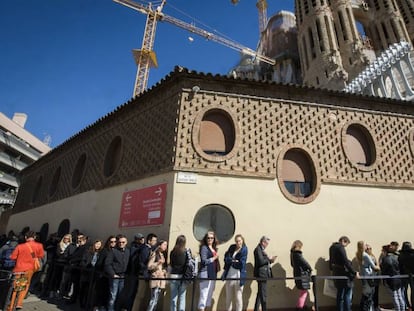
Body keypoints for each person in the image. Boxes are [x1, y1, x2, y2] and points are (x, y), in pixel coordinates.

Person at [7, 231, 44, 311]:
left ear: (25, 238)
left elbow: (13, 257)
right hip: (29, 269)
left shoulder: (20, 246)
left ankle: (12, 304)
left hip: (19, 268)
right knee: (25, 285)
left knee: (16, 287)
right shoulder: (39, 245)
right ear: (34, 237)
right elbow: (40, 255)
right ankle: (19, 303)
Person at [329, 236, 357, 311]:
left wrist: (331, 270)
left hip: (336, 272)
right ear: (344, 241)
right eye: (346, 244)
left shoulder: (332, 247)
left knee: (339, 294)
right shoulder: (340, 247)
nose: (345, 246)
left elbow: (331, 260)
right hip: (343, 273)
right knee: (347, 295)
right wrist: (354, 273)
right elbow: (345, 261)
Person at [222, 234, 248, 311]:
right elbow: (226, 259)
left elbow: (241, 264)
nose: (238, 242)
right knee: (228, 297)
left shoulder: (244, 249)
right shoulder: (232, 247)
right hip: (229, 274)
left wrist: (231, 261)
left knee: (238, 297)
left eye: (239, 241)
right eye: (236, 241)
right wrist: (234, 260)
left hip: (239, 275)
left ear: (242, 241)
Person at [105, 234, 130, 311]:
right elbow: (107, 264)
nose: (121, 244)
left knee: (120, 295)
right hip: (115, 276)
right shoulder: (113, 251)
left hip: (123, 276)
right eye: (119, 242)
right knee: (113, 295)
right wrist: (113, 274)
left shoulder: (128, 251)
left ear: (126, 242)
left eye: (123, 242)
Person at [254, 235, 276, 311]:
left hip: (263, 274)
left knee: (260, 294)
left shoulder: (261, 249)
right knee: (263, 294)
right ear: (263, 242)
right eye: (266, 243)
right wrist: (269, 259)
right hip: (261, 274)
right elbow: (260, 261)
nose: (267, 245)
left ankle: (256, 309)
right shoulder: (258, 249)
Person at [198, 231, 220, 311]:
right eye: (208, 238)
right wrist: (214, 258)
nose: (210, 239)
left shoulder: (213, 248)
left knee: (209, 295)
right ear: (205, 239)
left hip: (212, 273)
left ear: (214, 239)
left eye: (212, 238)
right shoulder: (204, 247)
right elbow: (204, 261)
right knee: (204, 295)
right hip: (205, 273)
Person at [355, 241, 379, 311]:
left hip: (363, 275)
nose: (367, 247)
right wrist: (378, 266)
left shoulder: (358, 254)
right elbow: (374, 267)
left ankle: (364, 308)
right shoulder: (365, 255)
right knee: (369, 295)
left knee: (365, 293)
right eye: (365, 246)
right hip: (368, 275)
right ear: (363, 247)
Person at [381, 243, 405, 311]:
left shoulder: (385, 259)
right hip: (398, 278)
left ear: (385, 251)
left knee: (395, 297)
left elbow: (384, 270)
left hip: (391, 280)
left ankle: (398, 309)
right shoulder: (396, 257)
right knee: (400, 296)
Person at [290, 240, 312, 311]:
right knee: (304, 293)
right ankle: (300, 307)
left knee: (303, 292)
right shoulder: (297, 254)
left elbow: (292, 265)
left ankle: (300, 306)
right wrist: (309, 268)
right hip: (302, 276)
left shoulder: (292, 254)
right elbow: (305, 263)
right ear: (299, 246)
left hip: (298, 275)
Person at [169, 235, 189, 311]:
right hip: (182, 276)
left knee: (173, 297)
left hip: (173, 275)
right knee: (182, 297)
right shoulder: (185, 252)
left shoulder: (172, 252)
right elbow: (187, 264)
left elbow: (171, 264)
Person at [147, 240, 168, 311]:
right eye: (164, 245)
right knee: (154, 298)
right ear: (159, 245)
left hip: (160, 279)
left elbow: (163, 266)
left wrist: (164, 271)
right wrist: (157, 263)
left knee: (156, 299)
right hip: (155, 279)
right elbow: (149, 266)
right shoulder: (154, 253)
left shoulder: (162, 254)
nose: (165, 247)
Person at [398, 241, 414, 310]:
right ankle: (412, 305)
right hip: (412, 275)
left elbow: (400, 266)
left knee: (404, 291)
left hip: (404, 275)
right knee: (412, 291)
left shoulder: (401, 256)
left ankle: (406, 305)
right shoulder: (412, 255)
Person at [366, 244, 381, 311]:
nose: (369, 250)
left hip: (376, 277)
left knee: (375, 293)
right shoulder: (365, 257)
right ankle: (370, 307)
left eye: (370, 248)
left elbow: (378, 266)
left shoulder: (373, 256)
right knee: (369, 293)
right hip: (369, 277)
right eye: (367, 249)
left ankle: (376, 306)